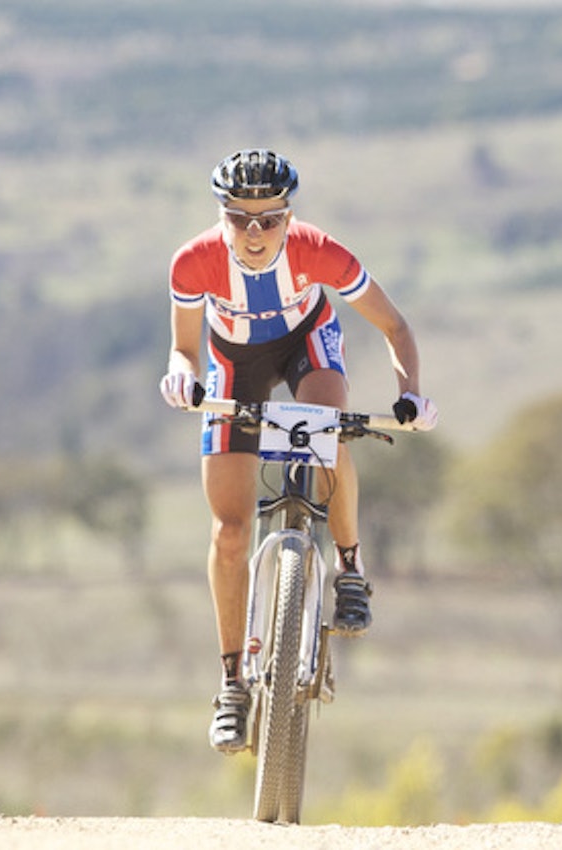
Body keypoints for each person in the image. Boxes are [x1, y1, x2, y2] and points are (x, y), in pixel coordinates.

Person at [159, 149, 438, 753]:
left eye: (270, 219)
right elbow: (184, 349)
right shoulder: (193, 263)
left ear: (290, 217)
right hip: (234, 365)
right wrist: (181, 376)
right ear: (220, 216)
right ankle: (233, 684)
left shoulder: (319, 251)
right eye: (240, 218)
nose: (255, 233)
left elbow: (395, 328)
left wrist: (410, 393)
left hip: (305, 346)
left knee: (327, 427)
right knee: (229, 534)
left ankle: (349, 566)